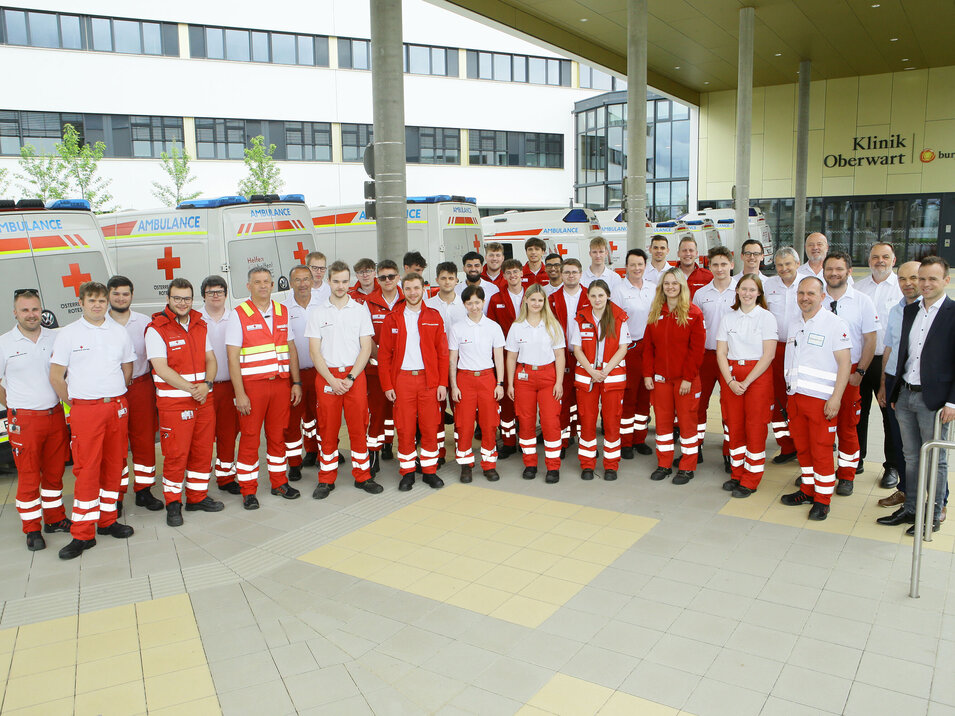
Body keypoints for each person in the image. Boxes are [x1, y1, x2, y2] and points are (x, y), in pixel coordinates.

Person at [50, 281, 136, 559]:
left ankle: (107, 520)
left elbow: (127, 366)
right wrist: (75, 403)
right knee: (86, 471)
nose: (98, 305)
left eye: (101, 300)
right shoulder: (68, 334)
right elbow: (56, 376)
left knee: (115, 465)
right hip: (86, 410)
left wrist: (114, 395)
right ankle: (82, 533)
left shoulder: (119, 331)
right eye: (92, 301)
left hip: (116, 407)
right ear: (81, 303)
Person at [884, 256, 955, 534]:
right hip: (905, 395)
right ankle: (911, 508)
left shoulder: (952, 313)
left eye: (931, 279)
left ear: (945, 281)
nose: (924, 284)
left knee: (935, 459)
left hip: (935, 401)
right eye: (921, 278)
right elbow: (904, 354)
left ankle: (933, 515)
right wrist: (893, 390)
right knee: (911, 457)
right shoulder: (911, 311)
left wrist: (952, 401)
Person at [145, 278, 224, 526]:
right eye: (177, 298)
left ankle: (197, 497)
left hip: (203, 401)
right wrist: (193, 389)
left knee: (202, 452)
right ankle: (173, 503)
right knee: (176, 456)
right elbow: (161, 368)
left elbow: (211, 360)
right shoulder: (156, 328)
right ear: (168, 299)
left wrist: (207, 385)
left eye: (186, 298)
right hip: (175, 404)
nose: (182, 303)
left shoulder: (200, 324)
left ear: (192, 299)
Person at [226, 266, 303, 509]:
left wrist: (296, 382)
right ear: (248, 286)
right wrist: (240, 394)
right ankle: (248, 490)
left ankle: (279, 482)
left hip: (280, 385)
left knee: (277, 435)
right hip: (253, 388)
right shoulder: (238, 314)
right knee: (249, 439)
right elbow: (232, 357)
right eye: (257, 282)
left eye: (266, 282)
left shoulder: (282, 311)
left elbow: (291, 349)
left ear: (272, 285)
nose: (262, 285)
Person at [0, 289, 71, 551]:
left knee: (54, 473)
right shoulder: (4, 343)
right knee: (29, 476)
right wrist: (16, 405)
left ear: (42, 310)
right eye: (25, 310)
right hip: (25, 421)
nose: (31, 315)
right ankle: (32, 528)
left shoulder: (56, 338)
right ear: (15, 313)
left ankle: (54, 519)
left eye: (35, 309)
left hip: (54, 415)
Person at [306, 261, 381, 498]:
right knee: (327, 428)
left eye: (344, 281)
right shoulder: (317, 312)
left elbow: (366, 347)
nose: (340, 286)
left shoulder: (360, 310)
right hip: (327, 376)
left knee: (359, 427)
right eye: (336, 281)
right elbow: (314, 352)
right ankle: (326, 479)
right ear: (329, 281)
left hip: (354, 376)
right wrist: (331, 379)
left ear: (350, 283)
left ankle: (363, 476)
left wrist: (349, 377)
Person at [780, 276, 852, 521]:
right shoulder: (794, 323)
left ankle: (822, 500)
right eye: (801, 293)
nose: (804, 298)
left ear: (822, 297)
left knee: (821, 451)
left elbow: (845, 363)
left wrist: (836, 398)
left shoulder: (834, 324)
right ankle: (808, 490)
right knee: (803, 448)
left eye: (810, 293)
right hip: (796, 398)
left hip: (821, 401)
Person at [378, 272, 449, 491]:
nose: (412, 292)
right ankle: (407, 472)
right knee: (406, 429)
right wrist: (388, 385)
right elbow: (384, 356)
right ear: (403, 290)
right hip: (403, 381)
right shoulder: (393, 318)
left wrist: (442, 384)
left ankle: (429, 471)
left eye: (416, 288)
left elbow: (442, 353)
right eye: (408, 288)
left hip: (429, 381)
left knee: (429, 428)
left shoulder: (434, 316)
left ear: (423, 289)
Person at [716, 275, 778, 497]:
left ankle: (751, 478)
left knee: (755, 427)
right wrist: (731, 381)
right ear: (737, 291)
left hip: (757, 377)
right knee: (734, 426)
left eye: (752, 290)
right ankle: (737, 472)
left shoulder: (767, 318)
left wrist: (746, 381)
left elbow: (769, 354)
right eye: (744, 289)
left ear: (759, 293)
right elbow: (721, 352)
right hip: (732, 375)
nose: (747, 293)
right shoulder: (728, 318)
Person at [643, 268, 706, 484]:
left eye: (674, 283)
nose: (670, 287)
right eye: (666, 283)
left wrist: (688, 378)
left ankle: (687, 466)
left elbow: (696, 351)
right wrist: (647, 374)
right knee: (662, 423)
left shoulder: (693, 313)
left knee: (687, 424)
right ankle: (664, 463)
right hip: (661, 379)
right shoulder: (655, 312)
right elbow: (649, 347)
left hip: (684, 380)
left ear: (682, 286)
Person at [823, 251, 877, 496]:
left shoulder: (862, 301)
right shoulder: (816, 298)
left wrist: (861, 373)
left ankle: (846, 475)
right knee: (820, 427)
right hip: (820, 374)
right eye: (829, 269)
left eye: (839, 269)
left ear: (849, 272)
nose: (834, 273)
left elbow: (870, 340)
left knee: (847, 427)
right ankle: (819, 472)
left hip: (851, 373)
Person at [107, 276, 162, 513]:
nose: (121, 298)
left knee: (144, 441)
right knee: (115, 445)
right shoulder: (100, 323)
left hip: (141, 386)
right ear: (109, 295)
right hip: (111, 390)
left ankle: (144, 490)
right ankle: (116, 496)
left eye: (125, 293)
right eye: (116, 293)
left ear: (132, 295)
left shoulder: (145, 322)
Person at [855, 242, 903, 489]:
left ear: (893, 260)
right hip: (863, 360)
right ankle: (856, 458)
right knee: (858, 413)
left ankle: (892, 466)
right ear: (869, 259)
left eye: (885, 257)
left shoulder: (901, 287)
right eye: (875, 257)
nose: (880, 261)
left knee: (890, 415)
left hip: (890, 362)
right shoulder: (858, 287)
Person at [506, 284, 565, 483]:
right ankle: (530, 464)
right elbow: (511, 357)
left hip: (548, 376)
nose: (536, 303)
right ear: (526, 301)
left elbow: (559, 355)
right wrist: (510, 384)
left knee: (550, 422)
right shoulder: (516, 326)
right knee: (526, 421)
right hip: (524, 377)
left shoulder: (552, 325)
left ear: (544, 302)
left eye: (540, 300)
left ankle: (553, 466)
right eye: (533, 300)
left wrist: (559, 382)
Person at [571, 280, 629, 481]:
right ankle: (587, 464)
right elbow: (577, 349)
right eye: (593, 295)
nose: (597, 300)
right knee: (586, 421)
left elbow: (623, 347)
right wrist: (591, 371)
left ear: (608, 296)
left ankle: (611, 465)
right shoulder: (580, 317)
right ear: (587, 297)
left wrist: (604, 370)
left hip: (611, 377)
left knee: (612, 421)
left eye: (601, 295)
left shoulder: (619, 317)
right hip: (587, 377)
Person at [875, 261, 920, 512]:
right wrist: (883, 384)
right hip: (894, 380)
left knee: (925, 446)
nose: (908, 283)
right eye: (902, 279)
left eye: (913, 277)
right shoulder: (896, 310)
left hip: (918, 384)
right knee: (900, 441)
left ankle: (937, 500)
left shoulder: (935, 312)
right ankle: (904, 491)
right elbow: (889, 349)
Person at [449, 285, 505, 483]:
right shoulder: (457, 328)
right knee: (464, 425)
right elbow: (452, 359)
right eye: (469, 303)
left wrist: (500, 383)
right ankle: (466, 464)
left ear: (483, 302)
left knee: (489, 424)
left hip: (488, 378)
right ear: (464, 304)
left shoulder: (493, 327)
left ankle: (489, 465)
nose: (474, 307)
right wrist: (454, 386)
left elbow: (499, 358)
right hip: (465, 379)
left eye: (477, 302)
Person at [691, 246, 736, 470]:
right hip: (706, 356)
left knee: (730, 406)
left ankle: (731, 451)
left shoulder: (741, 290)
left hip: (731, 357)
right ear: (709, 266)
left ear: (731, 265)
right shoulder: (701, 294)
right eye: (715, 265)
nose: (719, 269)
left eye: (723, 264)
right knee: (699, 403)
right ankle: (696, 447)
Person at [200, 276, 242, 494]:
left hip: (228, 385)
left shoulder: (236, 318)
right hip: (203, 388)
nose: (215, 296)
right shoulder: (195, 319)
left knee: (228, 434)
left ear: (226, 294)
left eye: (219, 291)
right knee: (203, 437)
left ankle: (226, 477)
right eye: (210, 292)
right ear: (203, 296)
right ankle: (199, 481)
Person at [611, 249, 655, 457]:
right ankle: (625, 442)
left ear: (645, 266)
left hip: (650, 348)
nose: (637, 268)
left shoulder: (654, 289)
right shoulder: (619, 290)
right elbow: (615, 322)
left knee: (645, 396)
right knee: (628, 396)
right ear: (626, 267)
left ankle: (640, 438)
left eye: (640, 264)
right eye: (632, 265)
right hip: (629, 348)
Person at [425, 262, 468, 461]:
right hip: (436, 365)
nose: (447, 281)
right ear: (437, 280)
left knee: (461, 411)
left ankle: (462, 449)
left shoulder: (465, 305)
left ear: (457, 280)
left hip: (461, 365)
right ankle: (439, 452)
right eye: (443, 278)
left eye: (451, 278)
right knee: (436, 413)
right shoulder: (428, 305)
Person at [762, 248, 801, 464]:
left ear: (797, 263)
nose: (783, 269)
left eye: (788, 264)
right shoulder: (769, 285)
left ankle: (801, 444)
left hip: (800, 349)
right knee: (777, 398)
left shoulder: (808, 284)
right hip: (775, 349)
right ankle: (786, 445)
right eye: (779, 265)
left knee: (796, 398)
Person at [283, 266, 320, 481]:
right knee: (292, 422)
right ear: (291, 283)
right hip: (293, 374)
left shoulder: (323, 305)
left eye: (306, 279)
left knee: (320, 417)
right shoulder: (283, 309)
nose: (303, 284)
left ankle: (319, 452)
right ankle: (294, 462)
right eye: (298, 280)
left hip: (319, 371)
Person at [549, 259, 590, 452]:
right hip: (562, 356)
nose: (571, 275)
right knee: (562, 401)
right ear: (561, 274)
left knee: (585, 402)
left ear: (581, 274)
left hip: (586, 357)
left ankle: (586, 441)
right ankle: (563, 442)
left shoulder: (592, 296)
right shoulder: (552, 299)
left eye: (574, 272)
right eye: (567, 272)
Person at [365, 260, 403, 467]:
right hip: (375, 368)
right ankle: (373, 456)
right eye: (383, 277)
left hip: (402, 369)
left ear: (398, 277)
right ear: (377, 279)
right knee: (377, 412)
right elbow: (366, 335)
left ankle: (390, 445)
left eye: (391, 276)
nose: (387, 280)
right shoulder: (368, 302)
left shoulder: (408, 299)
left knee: (399, 412)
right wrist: (380, 359)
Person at [487, 259, 526, 457]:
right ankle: (509, 442)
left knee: (526, 399)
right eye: (509, 272)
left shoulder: (533, 295)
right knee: (506, 402)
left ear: (522, 274)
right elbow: (492, 329)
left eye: (516, 272)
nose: (513, 275)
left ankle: (527, 438)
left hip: (529, 354)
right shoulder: (495, 299)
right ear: (503, 276)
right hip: (504, 354)